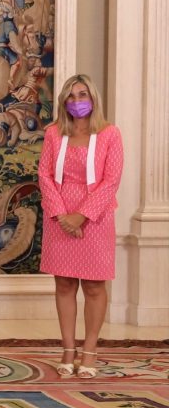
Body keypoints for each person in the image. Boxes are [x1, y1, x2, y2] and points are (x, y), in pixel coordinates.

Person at [37, 74, 123, 378]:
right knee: (64, 284)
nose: (76, 101)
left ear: (93, 98)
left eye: (82, 94)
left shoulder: (110, 134)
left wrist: (82, 215)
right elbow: (45, 175)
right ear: (63, 101)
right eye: (71, 96)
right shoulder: (53, 133)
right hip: (58, 216)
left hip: (96, 218)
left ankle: (90, 350)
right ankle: (68, 349)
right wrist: (62, 214)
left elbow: (111, 180)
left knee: (94, 285)